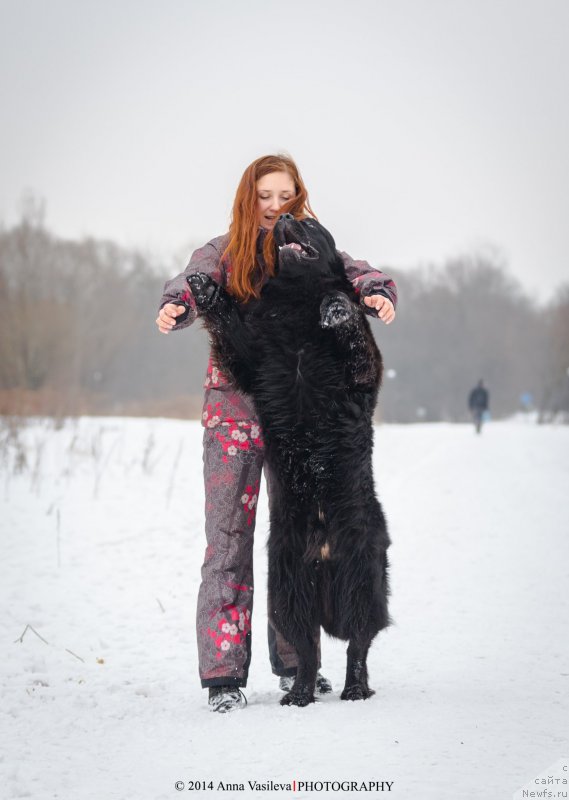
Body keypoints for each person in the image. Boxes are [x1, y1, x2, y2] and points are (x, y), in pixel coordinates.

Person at [156, 155, 398, 712]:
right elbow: (191, 284)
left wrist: (378, 292)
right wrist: (176, 306)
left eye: (285, 194)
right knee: (229, 542)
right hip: (234, 415)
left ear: (299, 196)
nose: (274, 205)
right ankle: (222, 675)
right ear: (248, 197)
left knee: (298, 541)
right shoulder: (226, 251)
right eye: (265, 195)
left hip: (295, 417)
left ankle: (298, 664)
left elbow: (355, 272)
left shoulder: (306, 247)